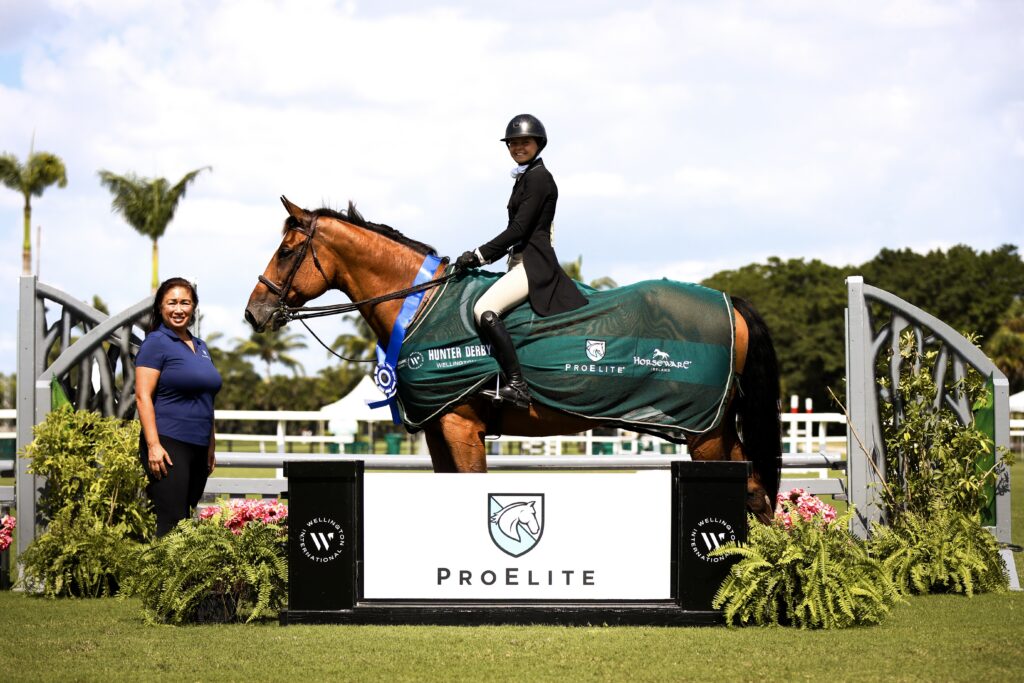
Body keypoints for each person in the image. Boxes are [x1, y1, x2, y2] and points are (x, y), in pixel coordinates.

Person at [455, 114, 587, 408]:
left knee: (484, 309)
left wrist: (478, 254)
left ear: (538, 144)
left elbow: (519, 230)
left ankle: (518, 386)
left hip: (534, 263)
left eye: (524, 142)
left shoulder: (539, 178)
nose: (517, 147)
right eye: (513, 143)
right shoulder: (526, 177)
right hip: (518, 261)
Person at [135, 277, 222, 536]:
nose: (178, 309)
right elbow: (142, 396)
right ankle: (162, 577)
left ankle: (182, 578)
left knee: (185, 520)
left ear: (193, 307)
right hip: (168, 443)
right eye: (171, 302)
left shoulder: (201, 347)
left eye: (185, 302)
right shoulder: (155, 343)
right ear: (161, 307)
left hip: (199, 446)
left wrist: (211, 445)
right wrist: (153, 446)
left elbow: (207, 398)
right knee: (171, 524)